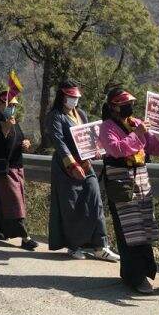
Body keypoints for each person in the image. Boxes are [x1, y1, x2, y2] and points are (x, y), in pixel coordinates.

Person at [98, 87, 159, 295]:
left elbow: (155, 147)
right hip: (120, 181)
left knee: (144, 227)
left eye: (129, 103)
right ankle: (134, 276)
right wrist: (137, 135)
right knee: (128, 229)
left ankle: (143, 272)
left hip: (141, 179)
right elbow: (116, 149)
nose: (128, 107)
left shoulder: (137, 123)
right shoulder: (107, 127)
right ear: (113, 107)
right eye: (123, 105)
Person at [46, 81, 119, 262]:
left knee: (95, 200)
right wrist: (71, 164)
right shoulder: (55, 116)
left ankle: (100, 246)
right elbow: (59, 142)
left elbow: (89, 138)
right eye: (71, 97)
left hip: (86, 165)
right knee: (71, 206)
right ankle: (73, 245)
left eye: (76, 97)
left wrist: (96, 150)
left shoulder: (82, 114)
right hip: (65, 167)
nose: (74, 100)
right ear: (63, 96)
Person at [0, 92, 38, 250]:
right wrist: (5, 127)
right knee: (15, 202)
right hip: (3, 169)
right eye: (9, 104)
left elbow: (19, 140)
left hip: (17, 166)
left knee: (3, 200)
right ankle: (25, 237)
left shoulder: (14, 122)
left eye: (14, 105)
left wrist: (25, 143)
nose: (12, 108)